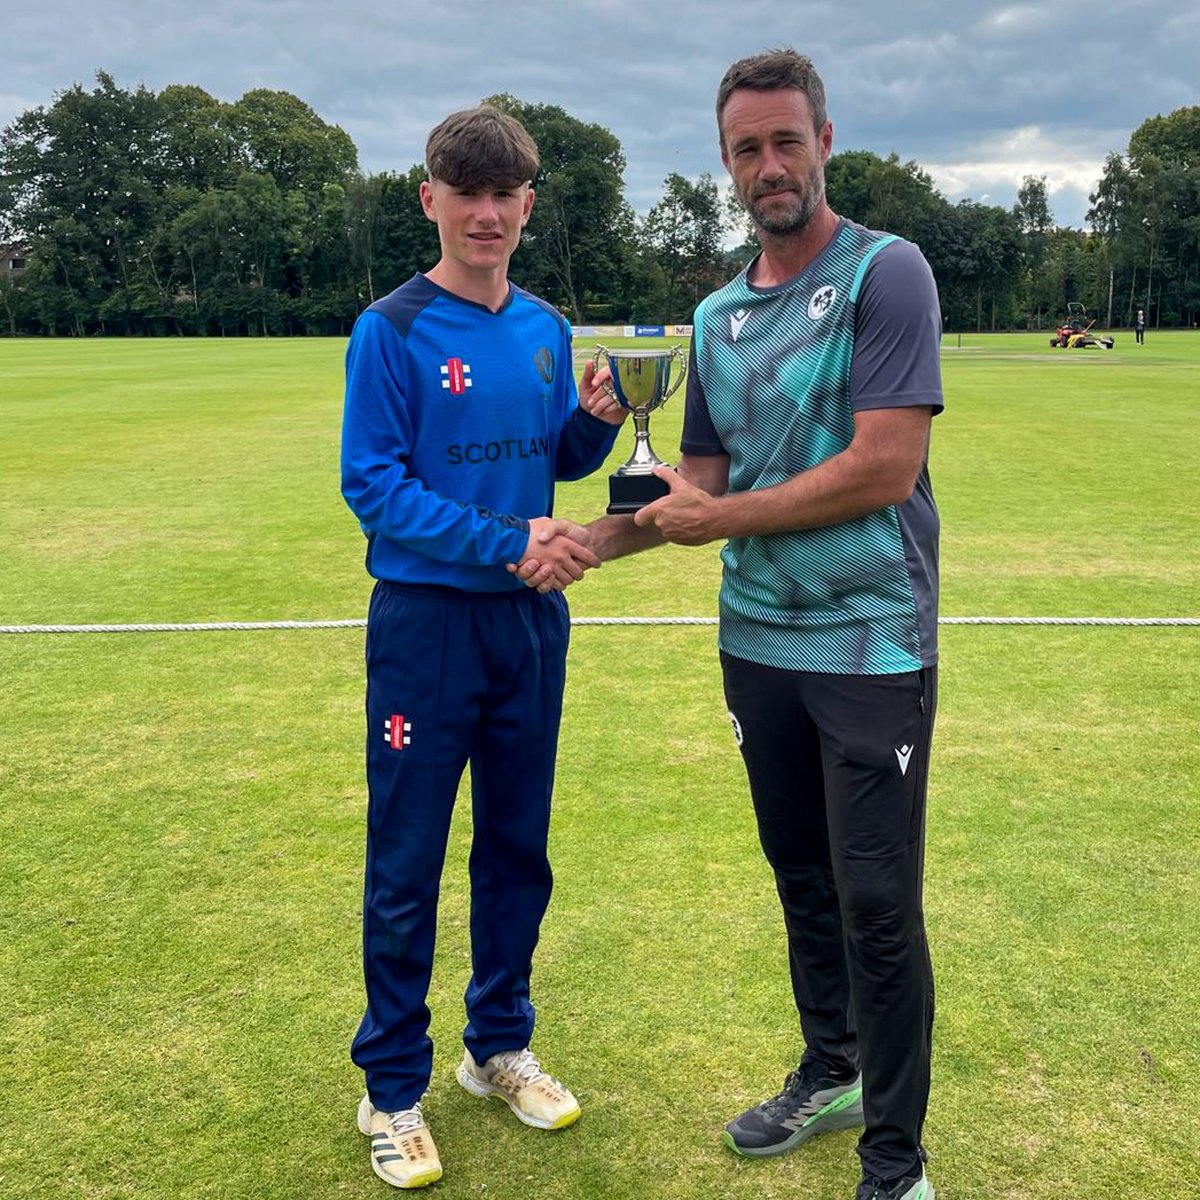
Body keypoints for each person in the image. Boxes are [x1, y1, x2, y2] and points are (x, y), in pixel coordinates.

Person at [516, 47, 943, 1200]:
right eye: (746, 148)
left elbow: (883, 469)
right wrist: (579, 545)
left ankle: (897, 1166)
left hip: (871, 640)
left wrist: (722, 518)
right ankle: (831, 1065)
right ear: (727, 164)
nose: (769, 164)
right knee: (801, 873)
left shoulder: (885, 275)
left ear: (824, 141)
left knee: (880, 904)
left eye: (785, 140)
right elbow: (689, 486)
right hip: (758, 641)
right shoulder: (713, 316)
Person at [340, 104, 625, 1189]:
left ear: (528, 205)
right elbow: (373, 485)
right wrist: (508, 542)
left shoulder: (547, 329)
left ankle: (495, 1047)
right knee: (407, 859)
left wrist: (597, 420)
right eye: (468, 195)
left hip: (527, 623)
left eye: (507, 197)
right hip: (426, 626)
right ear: (432, 200)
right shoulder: (393, 328)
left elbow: (553, 458)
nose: (488, 214)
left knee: (519, 846)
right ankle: (392, 1087)